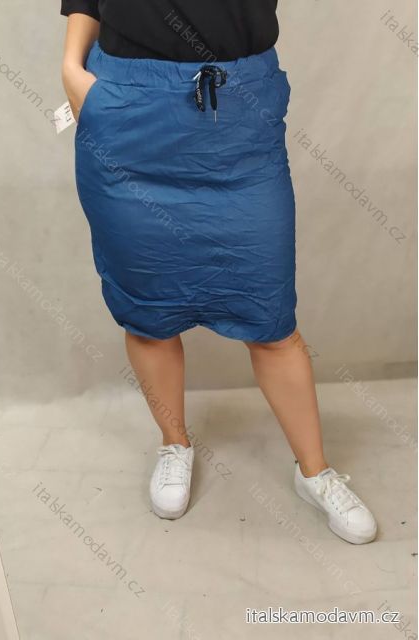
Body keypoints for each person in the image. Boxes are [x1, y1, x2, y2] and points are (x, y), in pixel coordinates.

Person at [61, 0, 377, 544]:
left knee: (271, 319)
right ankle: (174, 444)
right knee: (149, 312)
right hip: (127, 113)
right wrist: (71, 67)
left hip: (238, 116)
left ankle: (315, 472)